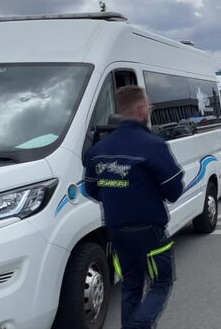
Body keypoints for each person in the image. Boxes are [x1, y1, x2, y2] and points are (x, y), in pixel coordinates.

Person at [84, 85, 183, 329]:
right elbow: (174, 190)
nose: (150, 109)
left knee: (131, 284)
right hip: (149, 229)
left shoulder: (98, 150)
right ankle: (140, 324)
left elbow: (91, 189)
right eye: (149, 105)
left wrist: (117, 195)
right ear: (141, 109)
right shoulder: (153, 145)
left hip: (116, 230)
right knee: (161, 282)